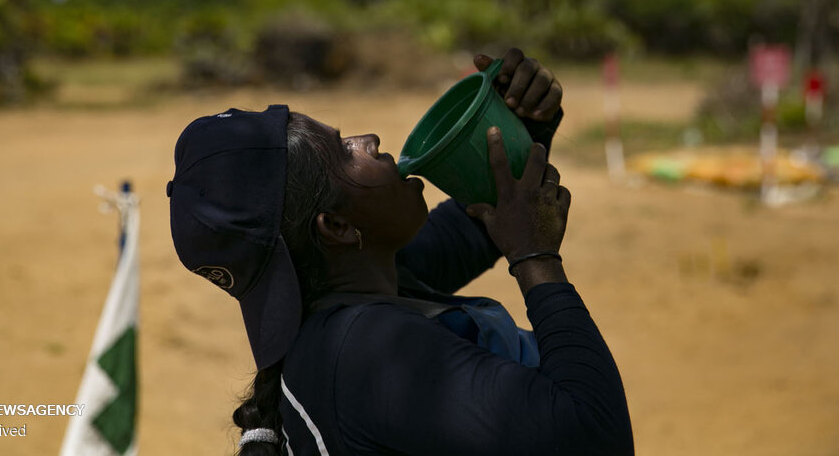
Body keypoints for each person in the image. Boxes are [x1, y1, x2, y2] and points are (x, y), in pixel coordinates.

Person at [168, 48, 634, 455]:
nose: (370, 139)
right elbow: (594, 435)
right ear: (339, 227)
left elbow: (471, 231)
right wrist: (536, 258)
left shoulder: (355, 286)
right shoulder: (362, 352)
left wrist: (523, 131)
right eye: (345, 151)